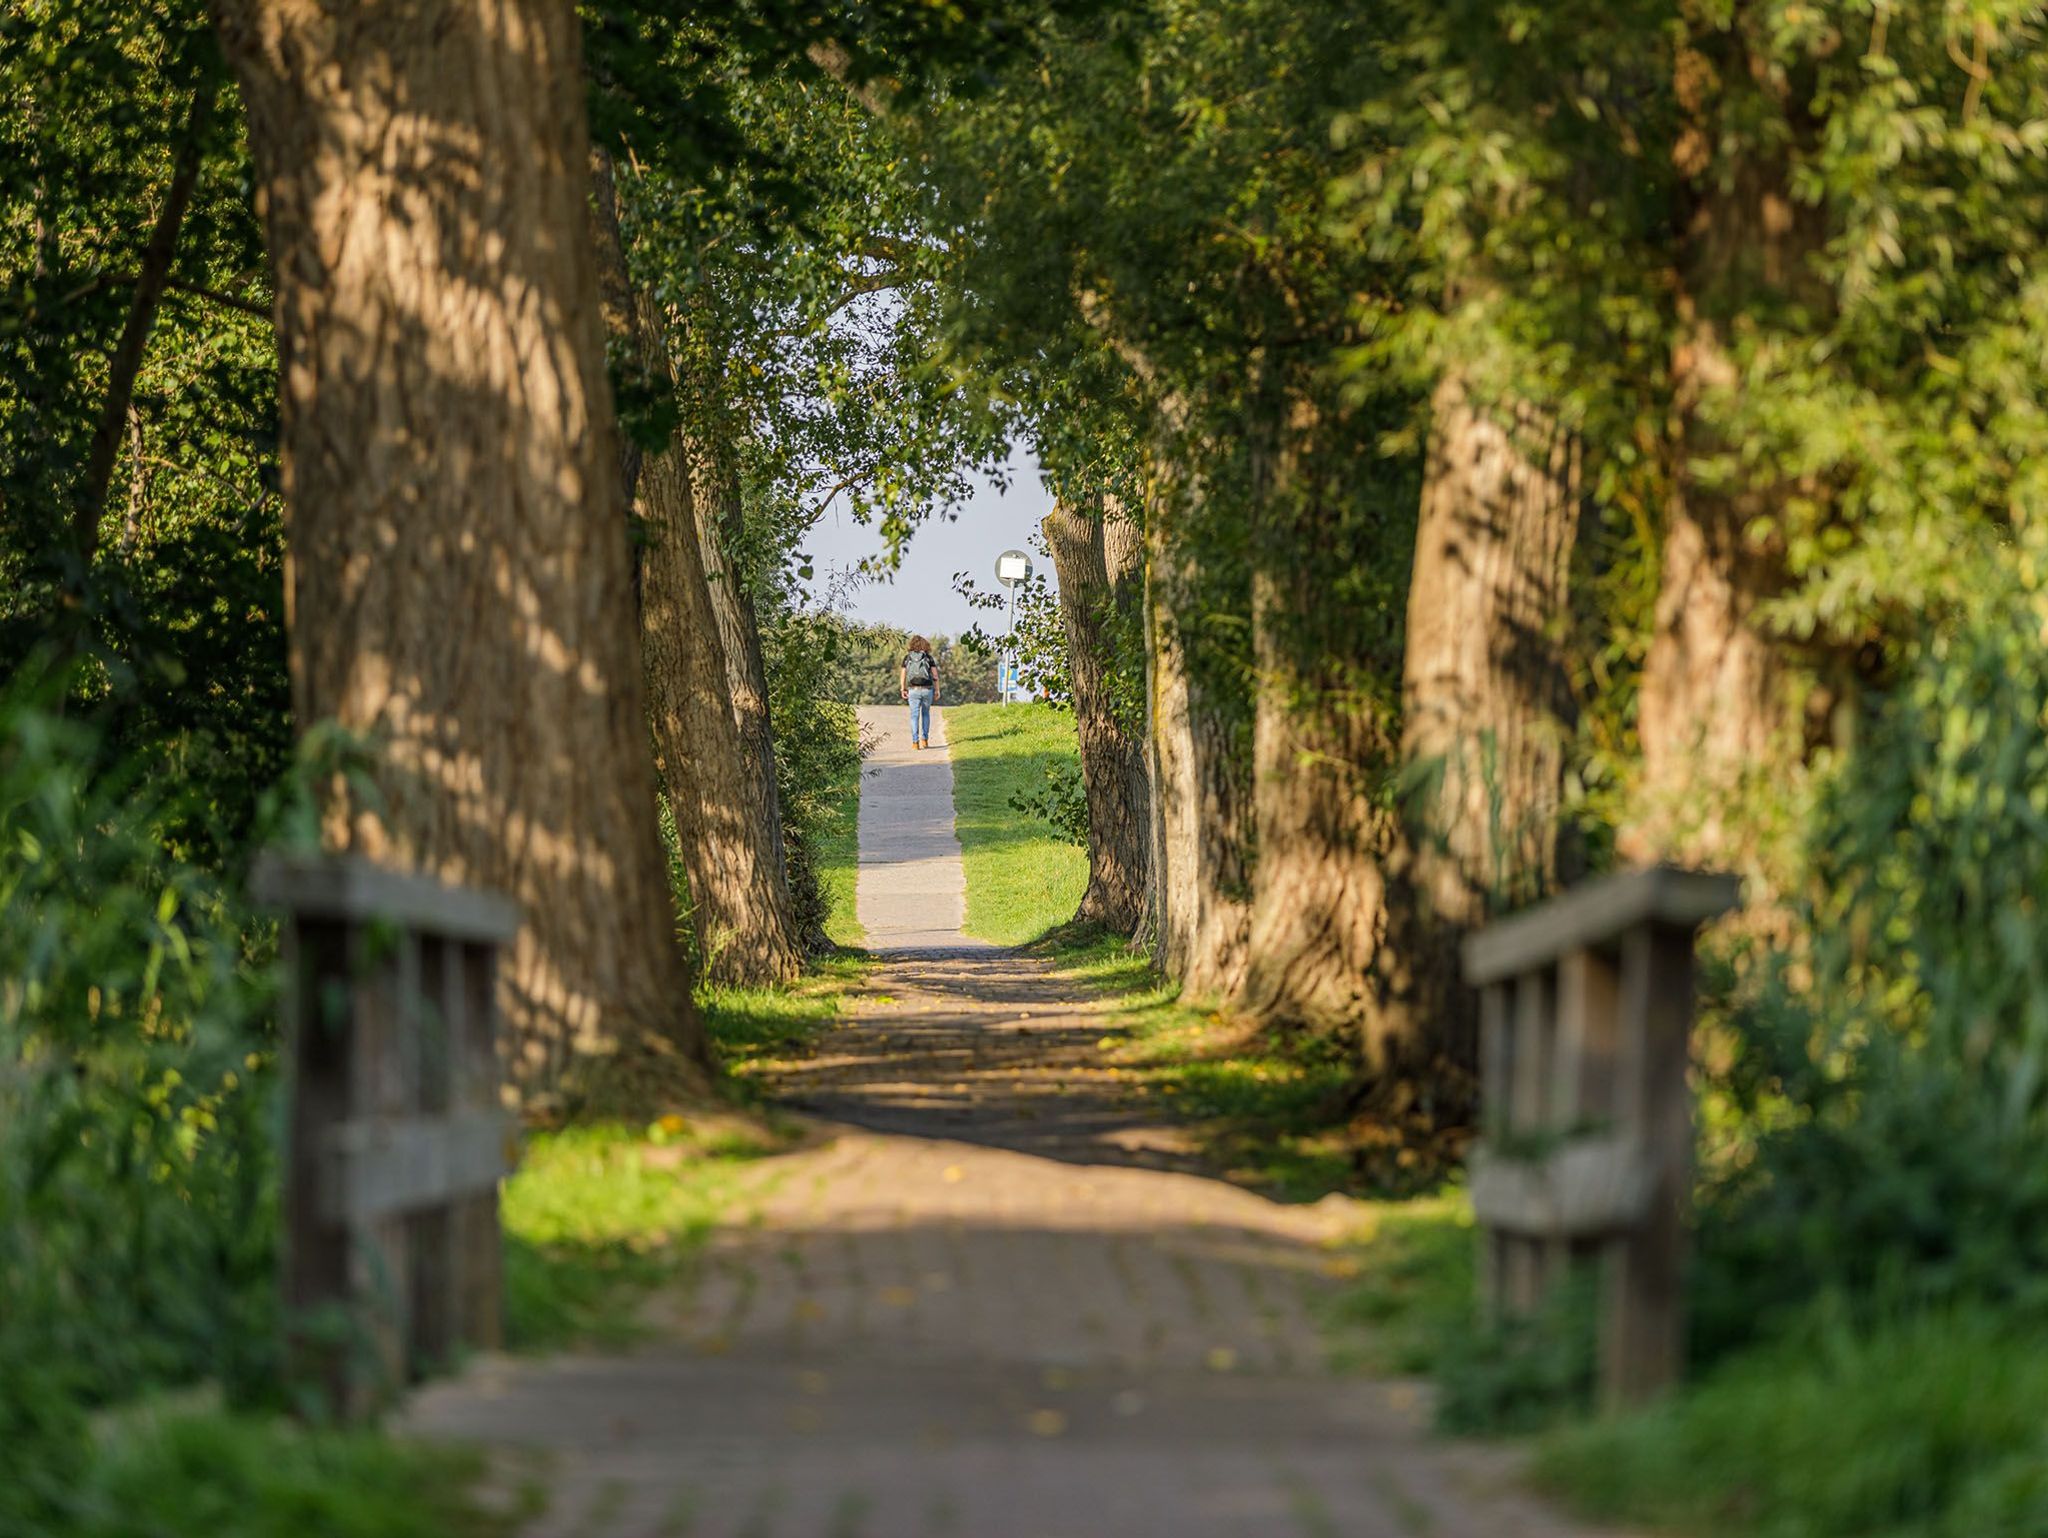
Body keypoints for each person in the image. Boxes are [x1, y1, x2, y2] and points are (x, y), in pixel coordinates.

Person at [900, 635, 939, 749]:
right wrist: (937, 690)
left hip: (913, 690)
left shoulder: (907, 658)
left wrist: (903, 688)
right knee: (926, 714)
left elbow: (903, 675)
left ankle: (915, 742)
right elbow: (935, 676)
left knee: (914, 716)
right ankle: (925, 740)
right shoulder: (928, 658)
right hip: (927, 690)